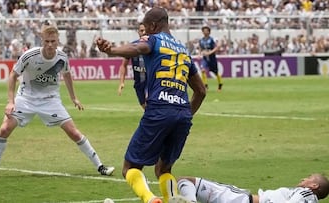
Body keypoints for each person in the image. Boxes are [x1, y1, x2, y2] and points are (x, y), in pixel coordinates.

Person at [96, 7, 206, 203]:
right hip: (182, 114)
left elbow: (137, 49)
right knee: (163, 169)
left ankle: (150, 199)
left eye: (145, 29)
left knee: (129, 167)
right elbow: (201, 91)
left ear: (154, 26)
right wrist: (185, 113)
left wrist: (111, 50)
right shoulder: (183, 50)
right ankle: (171, 198)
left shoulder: (154, 39)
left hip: (159, 110)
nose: (144, 33)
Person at [0, 24, 114, 179]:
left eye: (53, 41)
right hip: (26, 98)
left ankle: (100, 166)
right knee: (4, 130)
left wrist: (73, 97)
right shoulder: (29, 55)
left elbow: (67, 75)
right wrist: (10, 101)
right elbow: (13, 75)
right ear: (41, 40)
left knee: (74, 133)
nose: (49, 44)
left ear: (58, 41)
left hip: (50, 100)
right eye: (47, 41)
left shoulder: (61, 57)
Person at [177, 173, 329, 203]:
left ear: (314, 186)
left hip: (240, 200)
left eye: (309, 178)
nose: (304, 178)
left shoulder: (306, 194)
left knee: (187, 181)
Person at [118, 22, 147, 109]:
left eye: (145, 30)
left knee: (149, 102)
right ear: (138, 32)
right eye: (141, 30)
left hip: (150, 82)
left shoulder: (153, 46)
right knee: (145, 107)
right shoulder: (133, 47)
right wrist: (122, 82)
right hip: (138, 83)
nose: (144, 32)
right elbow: (123, 65)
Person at [198, 26, 223, 92]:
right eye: (204, 31)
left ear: (209, 32)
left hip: (212, 58)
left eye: (206, 30)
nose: (205, 32)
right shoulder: (201, 40)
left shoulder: (212, 39)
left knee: (215, 72)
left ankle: (220, 84)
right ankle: (205, 86)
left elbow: (218, 46)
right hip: (205, 58)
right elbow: (200, 47)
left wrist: (210, 52)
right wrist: (199, 53)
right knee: (203, 70)